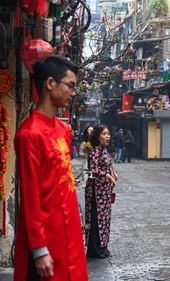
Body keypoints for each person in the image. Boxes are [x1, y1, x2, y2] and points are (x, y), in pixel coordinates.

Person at [13, 55, 88, 280]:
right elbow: (30, 196)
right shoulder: (29, 134)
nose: (73, 92)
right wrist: (39, 249)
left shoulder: (63, 131)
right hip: (46, 239)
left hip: (70, 232)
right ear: (50, 83)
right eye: (70, 85)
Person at [85, 124, 118, 258]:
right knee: (96, 218)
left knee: (105, 219)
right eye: (104, 134)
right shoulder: (94, 151)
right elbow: (93, 169)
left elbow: (108, 165)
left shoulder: (105, 151)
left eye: (108, 133)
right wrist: (107, 175)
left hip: (105, 190)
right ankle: (95, 249)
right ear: (98, 137)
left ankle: (103, 246)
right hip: (95, 190)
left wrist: (113, 173)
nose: (107, 136)